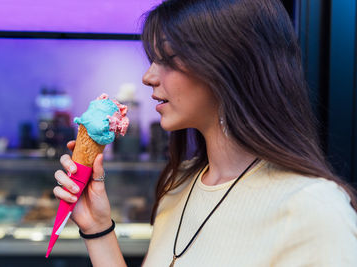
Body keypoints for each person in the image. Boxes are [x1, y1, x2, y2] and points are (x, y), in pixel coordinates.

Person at [53, 0, 357, 266]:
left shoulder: (314, 209)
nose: (148, 77)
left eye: (168, 60)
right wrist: (97, 227)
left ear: (231, 67)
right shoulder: (179, 183)